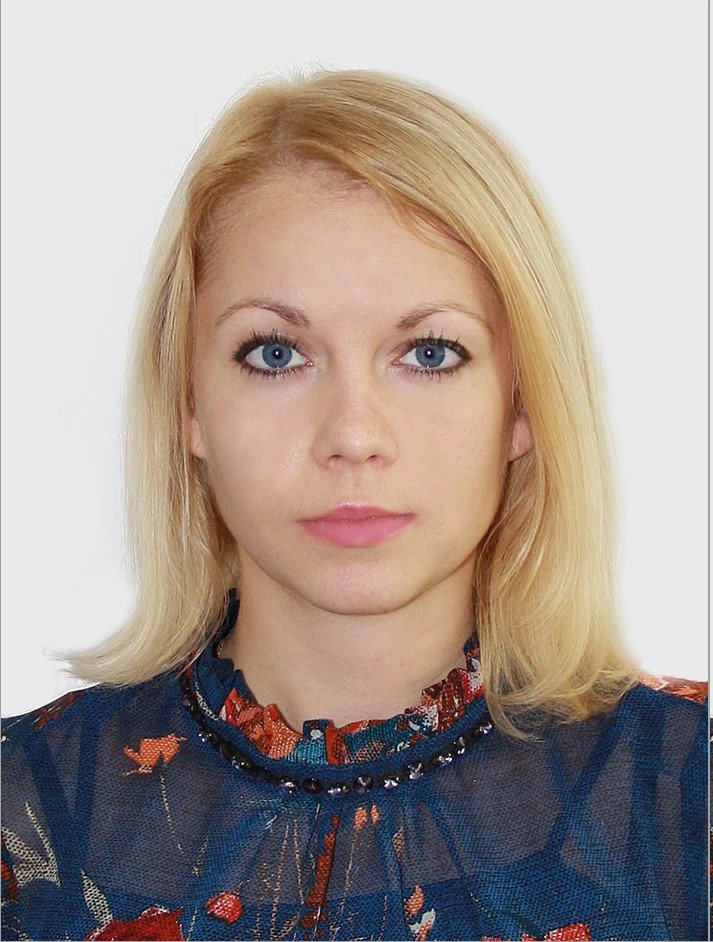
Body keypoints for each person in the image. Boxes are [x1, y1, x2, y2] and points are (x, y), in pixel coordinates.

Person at [1, 68, 707, 942]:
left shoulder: (689, 794)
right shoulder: (23, 814)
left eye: (430, 353)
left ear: (522, 406)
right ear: (188, 406)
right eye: (274, 354)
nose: (353, 435)